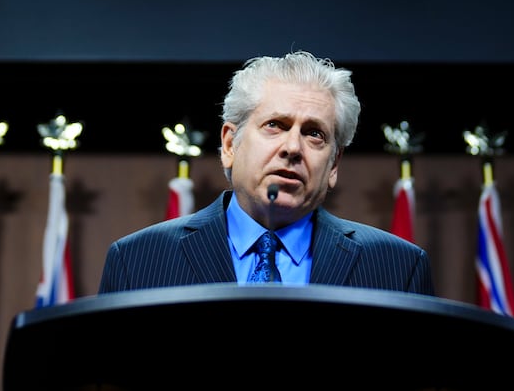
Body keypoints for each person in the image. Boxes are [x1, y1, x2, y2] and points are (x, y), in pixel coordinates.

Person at [98, 50, 435, 295]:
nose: (292, 148)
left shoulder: (399, 268)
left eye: (314, 133)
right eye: (275, 125)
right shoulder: (138, 261)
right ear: (230, 145)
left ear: (333, 165)